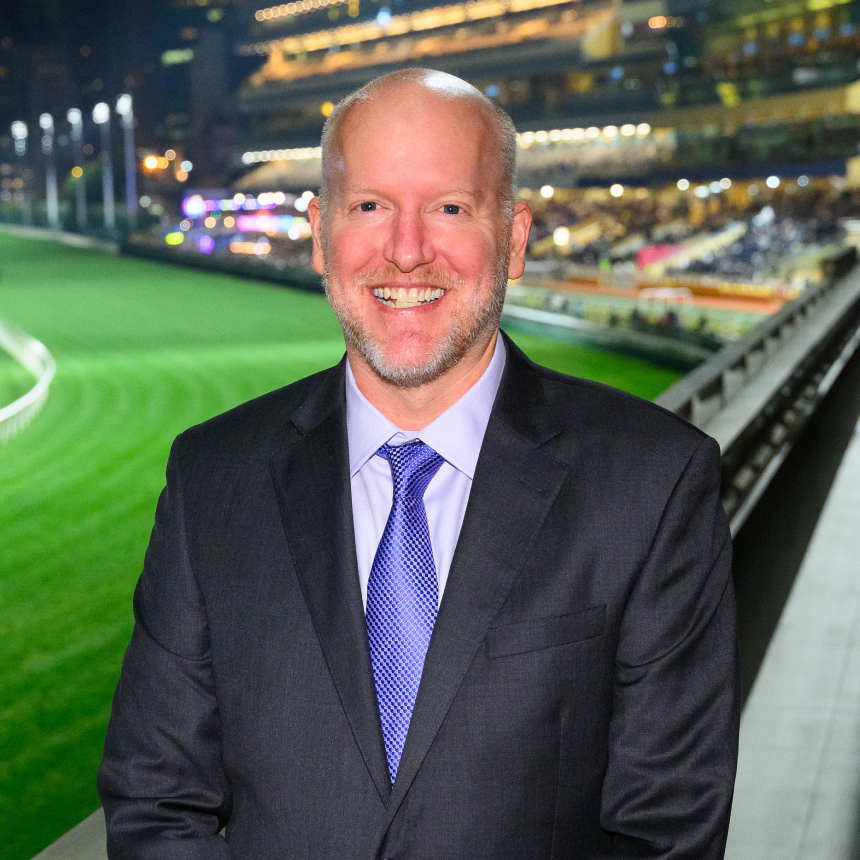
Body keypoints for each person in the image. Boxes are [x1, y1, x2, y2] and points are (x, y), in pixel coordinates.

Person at [98, 69, 739, 860]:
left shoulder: (654, 482)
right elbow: (156, 803)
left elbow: (665, 835)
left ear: (514, 239)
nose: (407, 251)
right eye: (370, 206)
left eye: (449, 208)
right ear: (320, 234)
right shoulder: (210, 479)